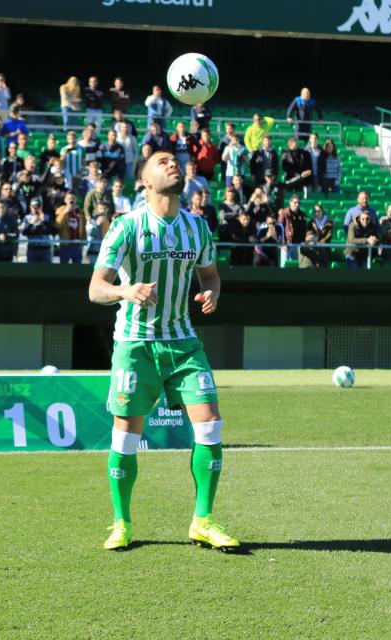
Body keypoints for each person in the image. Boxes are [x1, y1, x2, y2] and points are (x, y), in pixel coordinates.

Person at [88, 149, 239, 553]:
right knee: (125, 437)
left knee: (210, 426)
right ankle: (122, 523)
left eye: (175, 160)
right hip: (135, 344)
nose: (173, 164)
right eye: (162, 161)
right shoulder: (126, 227)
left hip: (184, 343)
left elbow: (211, 275)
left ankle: (203, 520)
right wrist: (126, 289)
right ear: (146, 182)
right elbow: (96, 287)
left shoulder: (198, 228)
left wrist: (211, 293)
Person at [22, 198, 55, 263]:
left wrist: (44, 221)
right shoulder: (27, 218)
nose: (35, 209)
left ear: (41, 207)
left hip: (45, 248)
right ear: (30, 208)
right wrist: (31, 223)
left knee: (46, 271)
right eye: (33, 207)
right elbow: (24, 232)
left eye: (37, 207)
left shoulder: (47, 217)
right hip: (32, 249)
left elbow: (52, 231)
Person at [55, 191, 85, 264]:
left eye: (73, 198)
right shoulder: (60, 210)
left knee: (78, 269)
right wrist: (65, 212)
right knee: (64, 268)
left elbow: (83, 228)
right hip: (66, 244)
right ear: (65, 200)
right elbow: (57, 225)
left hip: (78, 245)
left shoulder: (80, 211)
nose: (71, 200)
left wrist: (83, 242)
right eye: (69, 198)